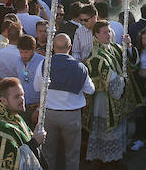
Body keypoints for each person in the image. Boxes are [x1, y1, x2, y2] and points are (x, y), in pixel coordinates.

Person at [33, 33, 94, 170]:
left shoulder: (44, 63)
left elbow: (36, 87)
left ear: (53, 47)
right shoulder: (79, 67)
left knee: (48, 153)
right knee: (72, 154)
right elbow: (90, 89)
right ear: (70, 47)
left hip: (49, 114)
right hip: (71, 115)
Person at [83, 21, 138, 167]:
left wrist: (128, 46)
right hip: (104, 101)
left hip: (116, 99)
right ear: (95, 34)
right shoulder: (96, 56)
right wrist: (121, 81)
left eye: (109, 31)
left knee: (118, 130)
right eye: (104, 32)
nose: (108, 34)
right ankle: (104, 160)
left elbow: (130, 61)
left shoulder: (113, 47)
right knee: (104, 132)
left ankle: (115, 157)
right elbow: (109, 81)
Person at [0, 78, 46, 170]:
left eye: (22, 95)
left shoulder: (16, 118)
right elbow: (12, 165)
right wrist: (35, 142)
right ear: (4, 101)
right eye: (17, 96)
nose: (22, 99)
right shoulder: (3, 130)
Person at [16, 36, 44, 126]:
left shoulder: (42, 62)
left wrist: (39, 110)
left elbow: (46, 89)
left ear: (33, 50)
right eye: (21, 52)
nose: (24, 55)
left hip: (36, 108)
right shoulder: (18, 61)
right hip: (22, 107)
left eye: (26, 52)